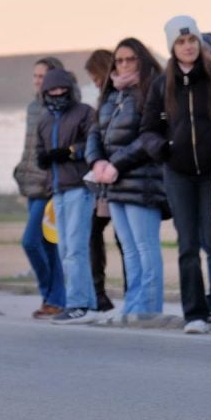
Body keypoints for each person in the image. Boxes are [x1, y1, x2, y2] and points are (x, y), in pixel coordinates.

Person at [141, 16, 211, 335]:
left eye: (192, 41)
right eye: (181, 42)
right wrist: (164, 148)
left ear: (199, 42)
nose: (187, 47)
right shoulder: (162, 84)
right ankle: (194, 314)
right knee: (187, 245)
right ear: (172, 47)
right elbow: (147, 130)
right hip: (179, 174)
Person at [87, 38, 166, 319]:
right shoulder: (112, 95)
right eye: (119, 60)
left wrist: (116, 163)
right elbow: (96, 132)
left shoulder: (151, 89)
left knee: (146, 248)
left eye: (129, 59)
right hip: (113, 182)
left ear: (141, 60)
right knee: (130, 251)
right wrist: (96, 161)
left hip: (142, 181)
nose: (123, 65)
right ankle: (133, 306)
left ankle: (150, 309)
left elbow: (149, 136)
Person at [36, 67, 98, 324]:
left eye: (62, 89)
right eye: (52, 90)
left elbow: (94, 142)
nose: (57, 93)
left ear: (70, 89)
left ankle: (78, 304)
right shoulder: (44, 120)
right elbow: (39, 152)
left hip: (79, 188)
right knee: (65, 249)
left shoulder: (84, 112)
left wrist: (71, 151)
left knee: (75, 248)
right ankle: (87, 303)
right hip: (57, 190)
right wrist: (44, 158)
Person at [13, 56, 66, 319]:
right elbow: (29, 148)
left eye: (41, 76)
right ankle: (53, 299)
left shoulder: (58, 109)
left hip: (48, 187)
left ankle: (54, 295)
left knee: (33, 241)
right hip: (30, 184)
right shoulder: (33, 108)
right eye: (34, 76)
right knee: (45, 246)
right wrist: (20, 171)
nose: (37, 81)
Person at [82, 50, 120, 313]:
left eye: (96, 76)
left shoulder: (118, 98)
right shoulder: (103, 99)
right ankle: (98, 292)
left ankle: (104, 292)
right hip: (102, 179)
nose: (95, 82)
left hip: (120, 176)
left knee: (125, 239)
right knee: (94, 233)